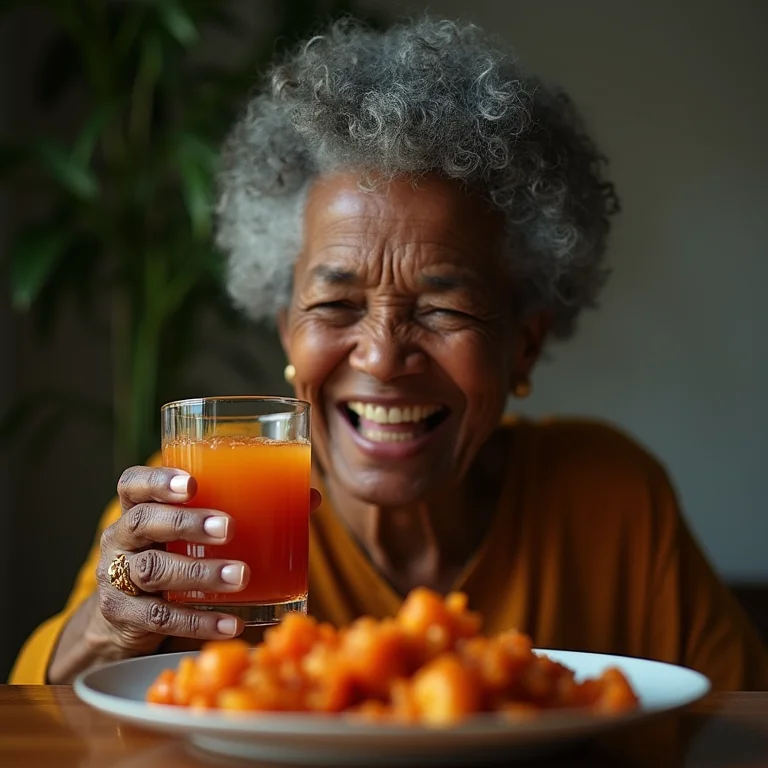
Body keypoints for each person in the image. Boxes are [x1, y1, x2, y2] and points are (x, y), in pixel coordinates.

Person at [11, 17, 768, 689]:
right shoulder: (198, 517)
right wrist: (106, 635)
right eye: (335, 305)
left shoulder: (612, 502)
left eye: (444, 308)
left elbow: (742, 730)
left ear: (525, 344)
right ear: (286, 334)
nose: (380, 355)